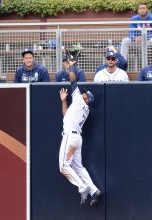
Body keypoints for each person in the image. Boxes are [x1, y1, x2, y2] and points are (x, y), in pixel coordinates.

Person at [59, 62, 101, 206]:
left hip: (70, 138)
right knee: (78, 167)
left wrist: (71, 66)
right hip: (76, 138)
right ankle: (94, 191)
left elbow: (72, 79)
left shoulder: (80, 102)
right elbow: (66, 116)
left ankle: (83, 187)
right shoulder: (82, 108)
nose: (82, 94)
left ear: (87, 100)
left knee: (63, 167)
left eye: (85, 95)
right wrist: (63, 101)